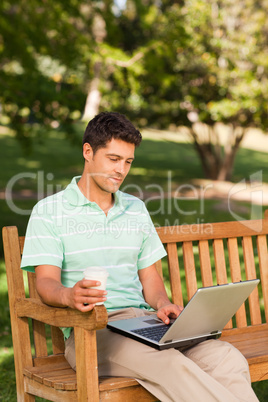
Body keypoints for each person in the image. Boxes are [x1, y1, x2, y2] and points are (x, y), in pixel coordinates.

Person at [21, 112, 258, 402]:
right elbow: (45, 283)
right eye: (113, 159)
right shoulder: (50, 212)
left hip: (146, 324)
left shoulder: (135, 209)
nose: (121, 170)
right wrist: (70, 296)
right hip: (95, 332)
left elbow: (151, 279)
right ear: (88, 152)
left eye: (128, 162)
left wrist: (164, 304)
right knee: (171, 365)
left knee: (226, 358)